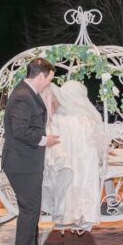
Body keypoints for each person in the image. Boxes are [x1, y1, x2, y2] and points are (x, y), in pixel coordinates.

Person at [1, 57, 61, 245]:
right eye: (50, 78)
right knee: (29, 209)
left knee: (32, 208)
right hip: (21, 163)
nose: (49, 83)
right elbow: (20, 131)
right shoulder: (22, 97)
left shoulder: (27, 94)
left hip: (27, 161)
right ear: (41, 75)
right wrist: (46, 139)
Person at [40, 80, 109, 232]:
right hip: (85, 168)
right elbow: (99, 149)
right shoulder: (88, 121)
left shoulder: (58, 120)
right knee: (84, 178)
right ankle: (85, 213)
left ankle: (66, 212)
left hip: (65, 167)